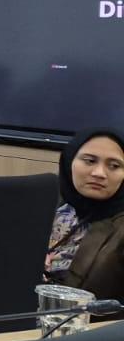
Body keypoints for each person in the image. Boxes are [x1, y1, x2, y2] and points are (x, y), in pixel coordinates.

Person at [45, 128, 124, 300]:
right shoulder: (44, 202)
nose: (99, 173)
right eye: (90, 161)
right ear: (70, 161)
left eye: (114, 166)